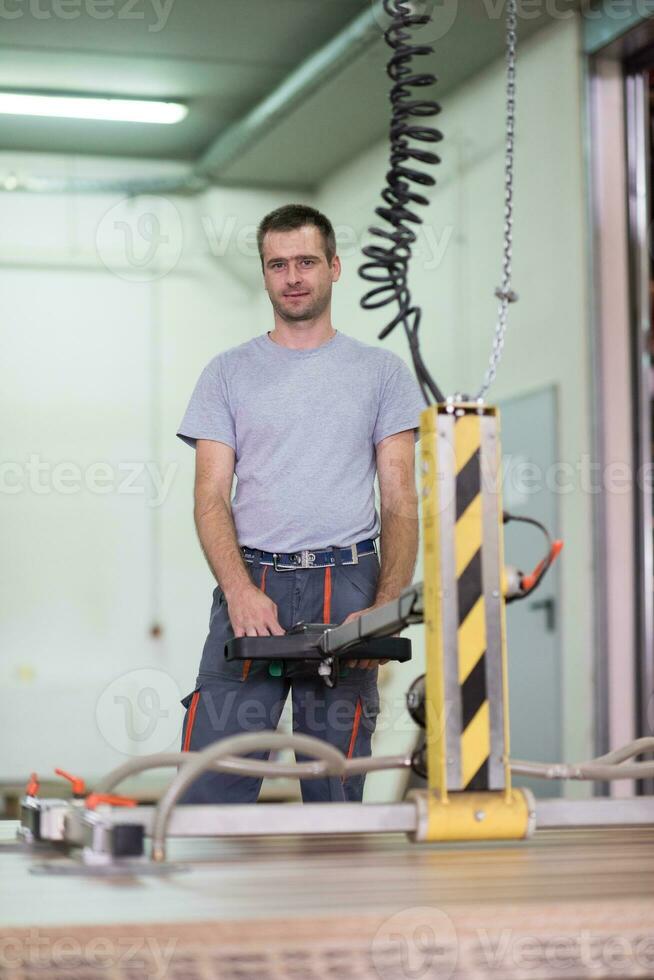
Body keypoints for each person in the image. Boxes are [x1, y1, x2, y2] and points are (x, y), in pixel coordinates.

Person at [176, 203, 425, 804]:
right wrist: (238, 589)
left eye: (306, 261)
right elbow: (210, 497)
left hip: (348, 584)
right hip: (252, 581)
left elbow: (399, 499)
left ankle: (341, 898)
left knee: (337, 784)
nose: (293, 276)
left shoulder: (383, 373)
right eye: (278, 264)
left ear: (334, 267)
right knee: (215, 779)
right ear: (264, 274)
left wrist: (386, 605)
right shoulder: (227, 373)